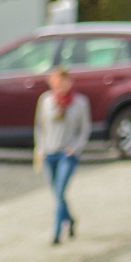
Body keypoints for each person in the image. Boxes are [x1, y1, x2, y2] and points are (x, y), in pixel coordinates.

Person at [33, 66, 90, 245]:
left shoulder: (80, 102)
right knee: (57, 194)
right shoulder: (46, 101)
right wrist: (39, 148)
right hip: (49, 153)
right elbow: (39, 127)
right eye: (55, 84)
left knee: (59, 191)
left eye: (61, 83)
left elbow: (84, 129)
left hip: (67, 154)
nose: (58, 88)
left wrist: (76, 147)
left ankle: (57, 233)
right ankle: (71, 220)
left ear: (69, 82)